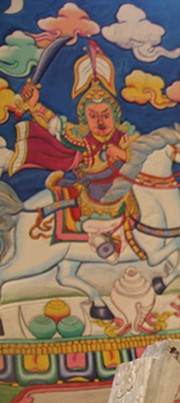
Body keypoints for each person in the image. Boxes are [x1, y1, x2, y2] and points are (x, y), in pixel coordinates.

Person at [11, 42, 138, 264]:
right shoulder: (81, 136)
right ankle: (101, 241)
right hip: (93, 190)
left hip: (125, 191)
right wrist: (33, 105)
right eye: (93, 116)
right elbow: (53, 124)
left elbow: (146, 155)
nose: (100, 121)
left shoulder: (128, 137)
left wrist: (125, 155)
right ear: (85, 119)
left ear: (115, 114)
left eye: (105, 115)